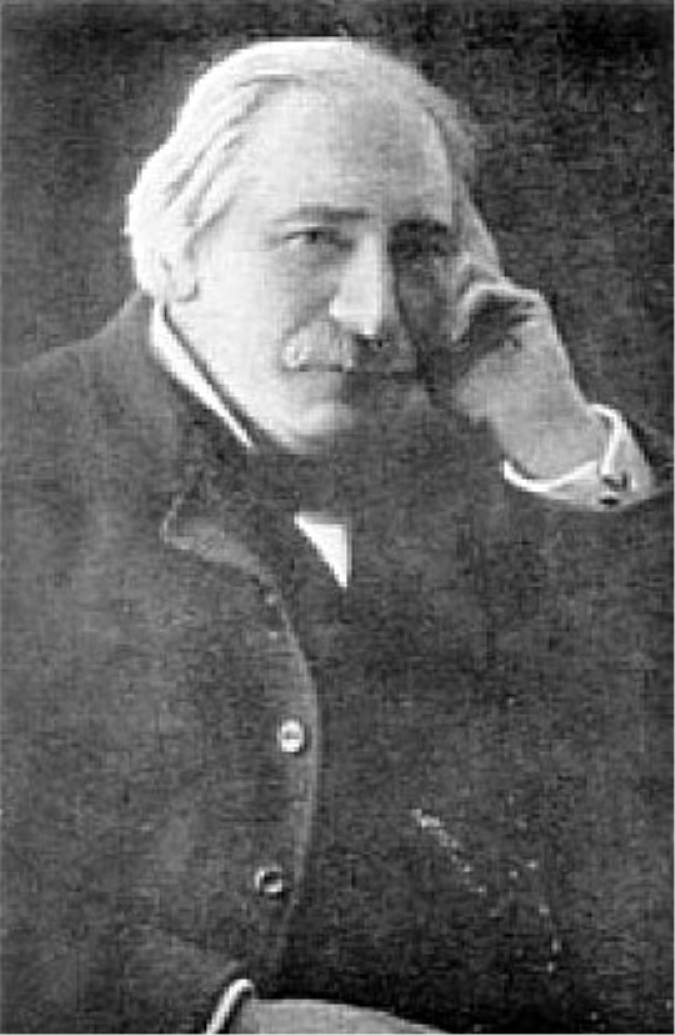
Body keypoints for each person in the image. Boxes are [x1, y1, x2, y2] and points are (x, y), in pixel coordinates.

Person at [1, 37, 671, 1035]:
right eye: (316, 238)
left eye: (418, 249)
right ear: (176, 251)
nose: (373, 313)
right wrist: (217, 1021)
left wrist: (556, 434)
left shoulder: (493, 466)